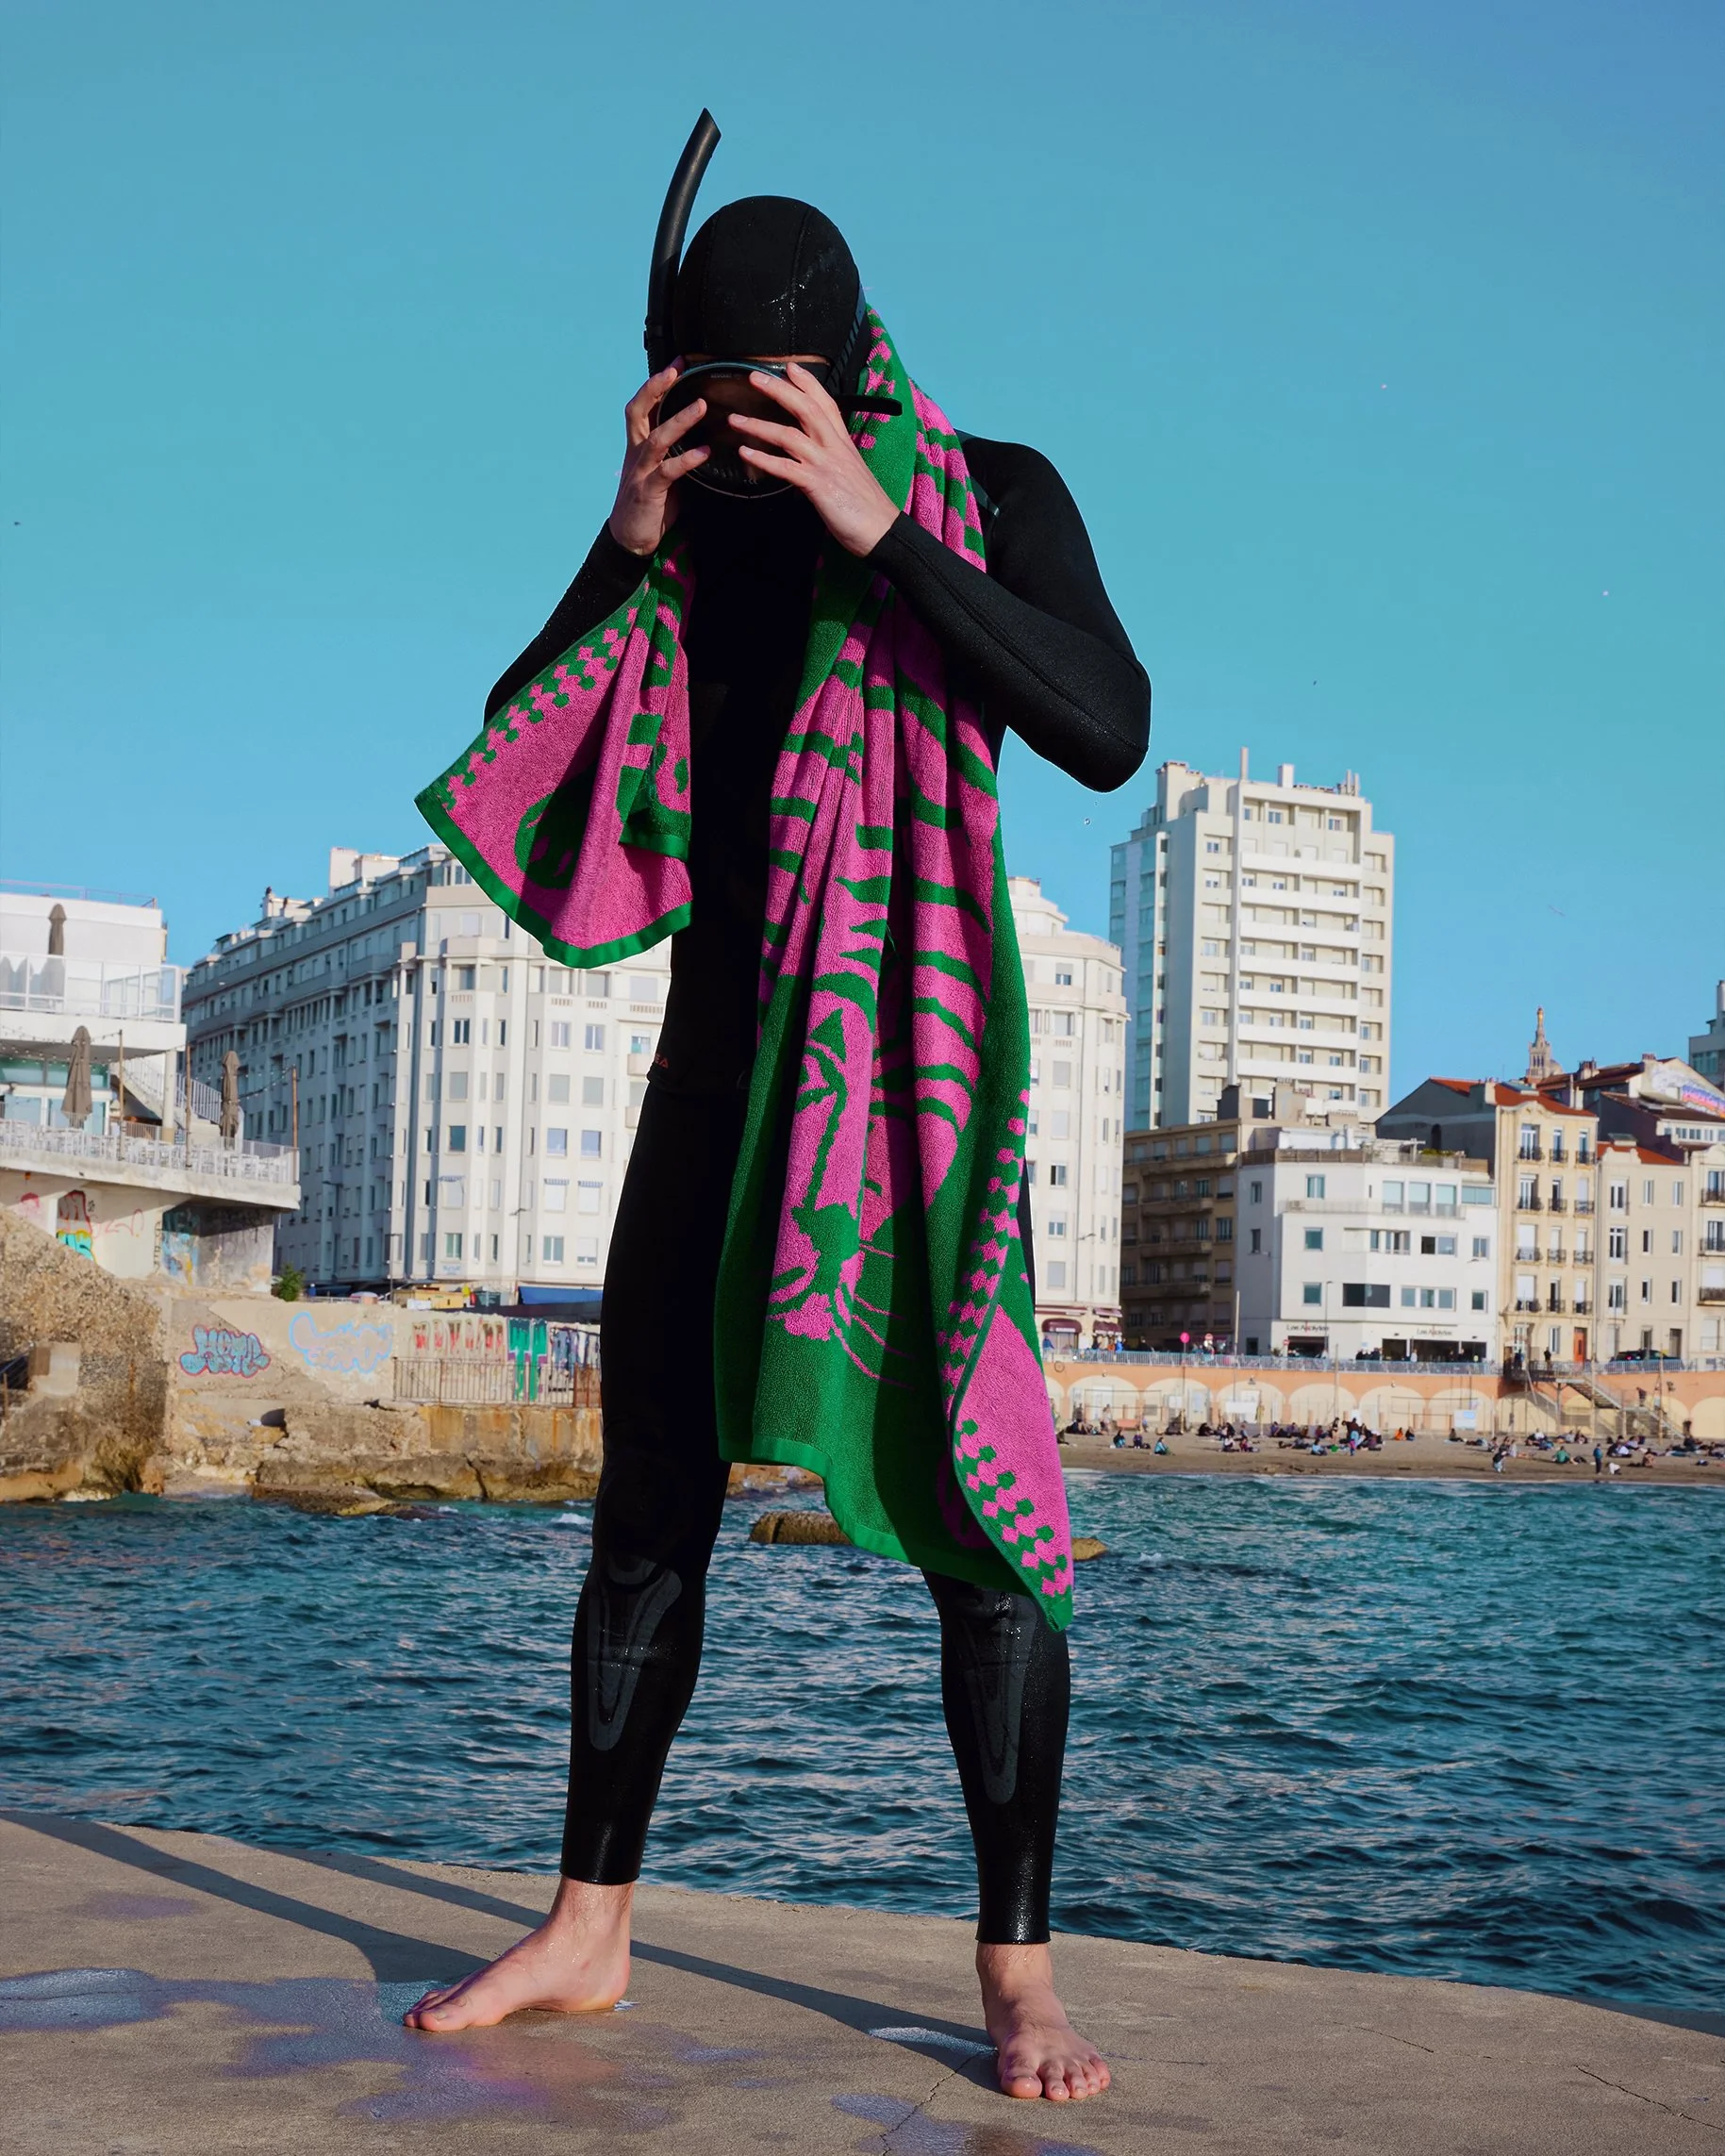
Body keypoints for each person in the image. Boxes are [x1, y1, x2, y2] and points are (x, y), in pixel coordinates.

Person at [403, 174, 1147, 2110]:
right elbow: (519, 761)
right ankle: (589, 1925)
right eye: (699, 389)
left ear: (829, 359)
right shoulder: (681, 541)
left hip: (912, 1077)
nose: (735, 421)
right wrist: (622, 532)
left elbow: (1102, 720)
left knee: (978, 1522)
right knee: (645, 1504)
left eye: (759, 390)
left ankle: (1012, 1969)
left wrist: (878, 527)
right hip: (709, 1068)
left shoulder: (983, 491)